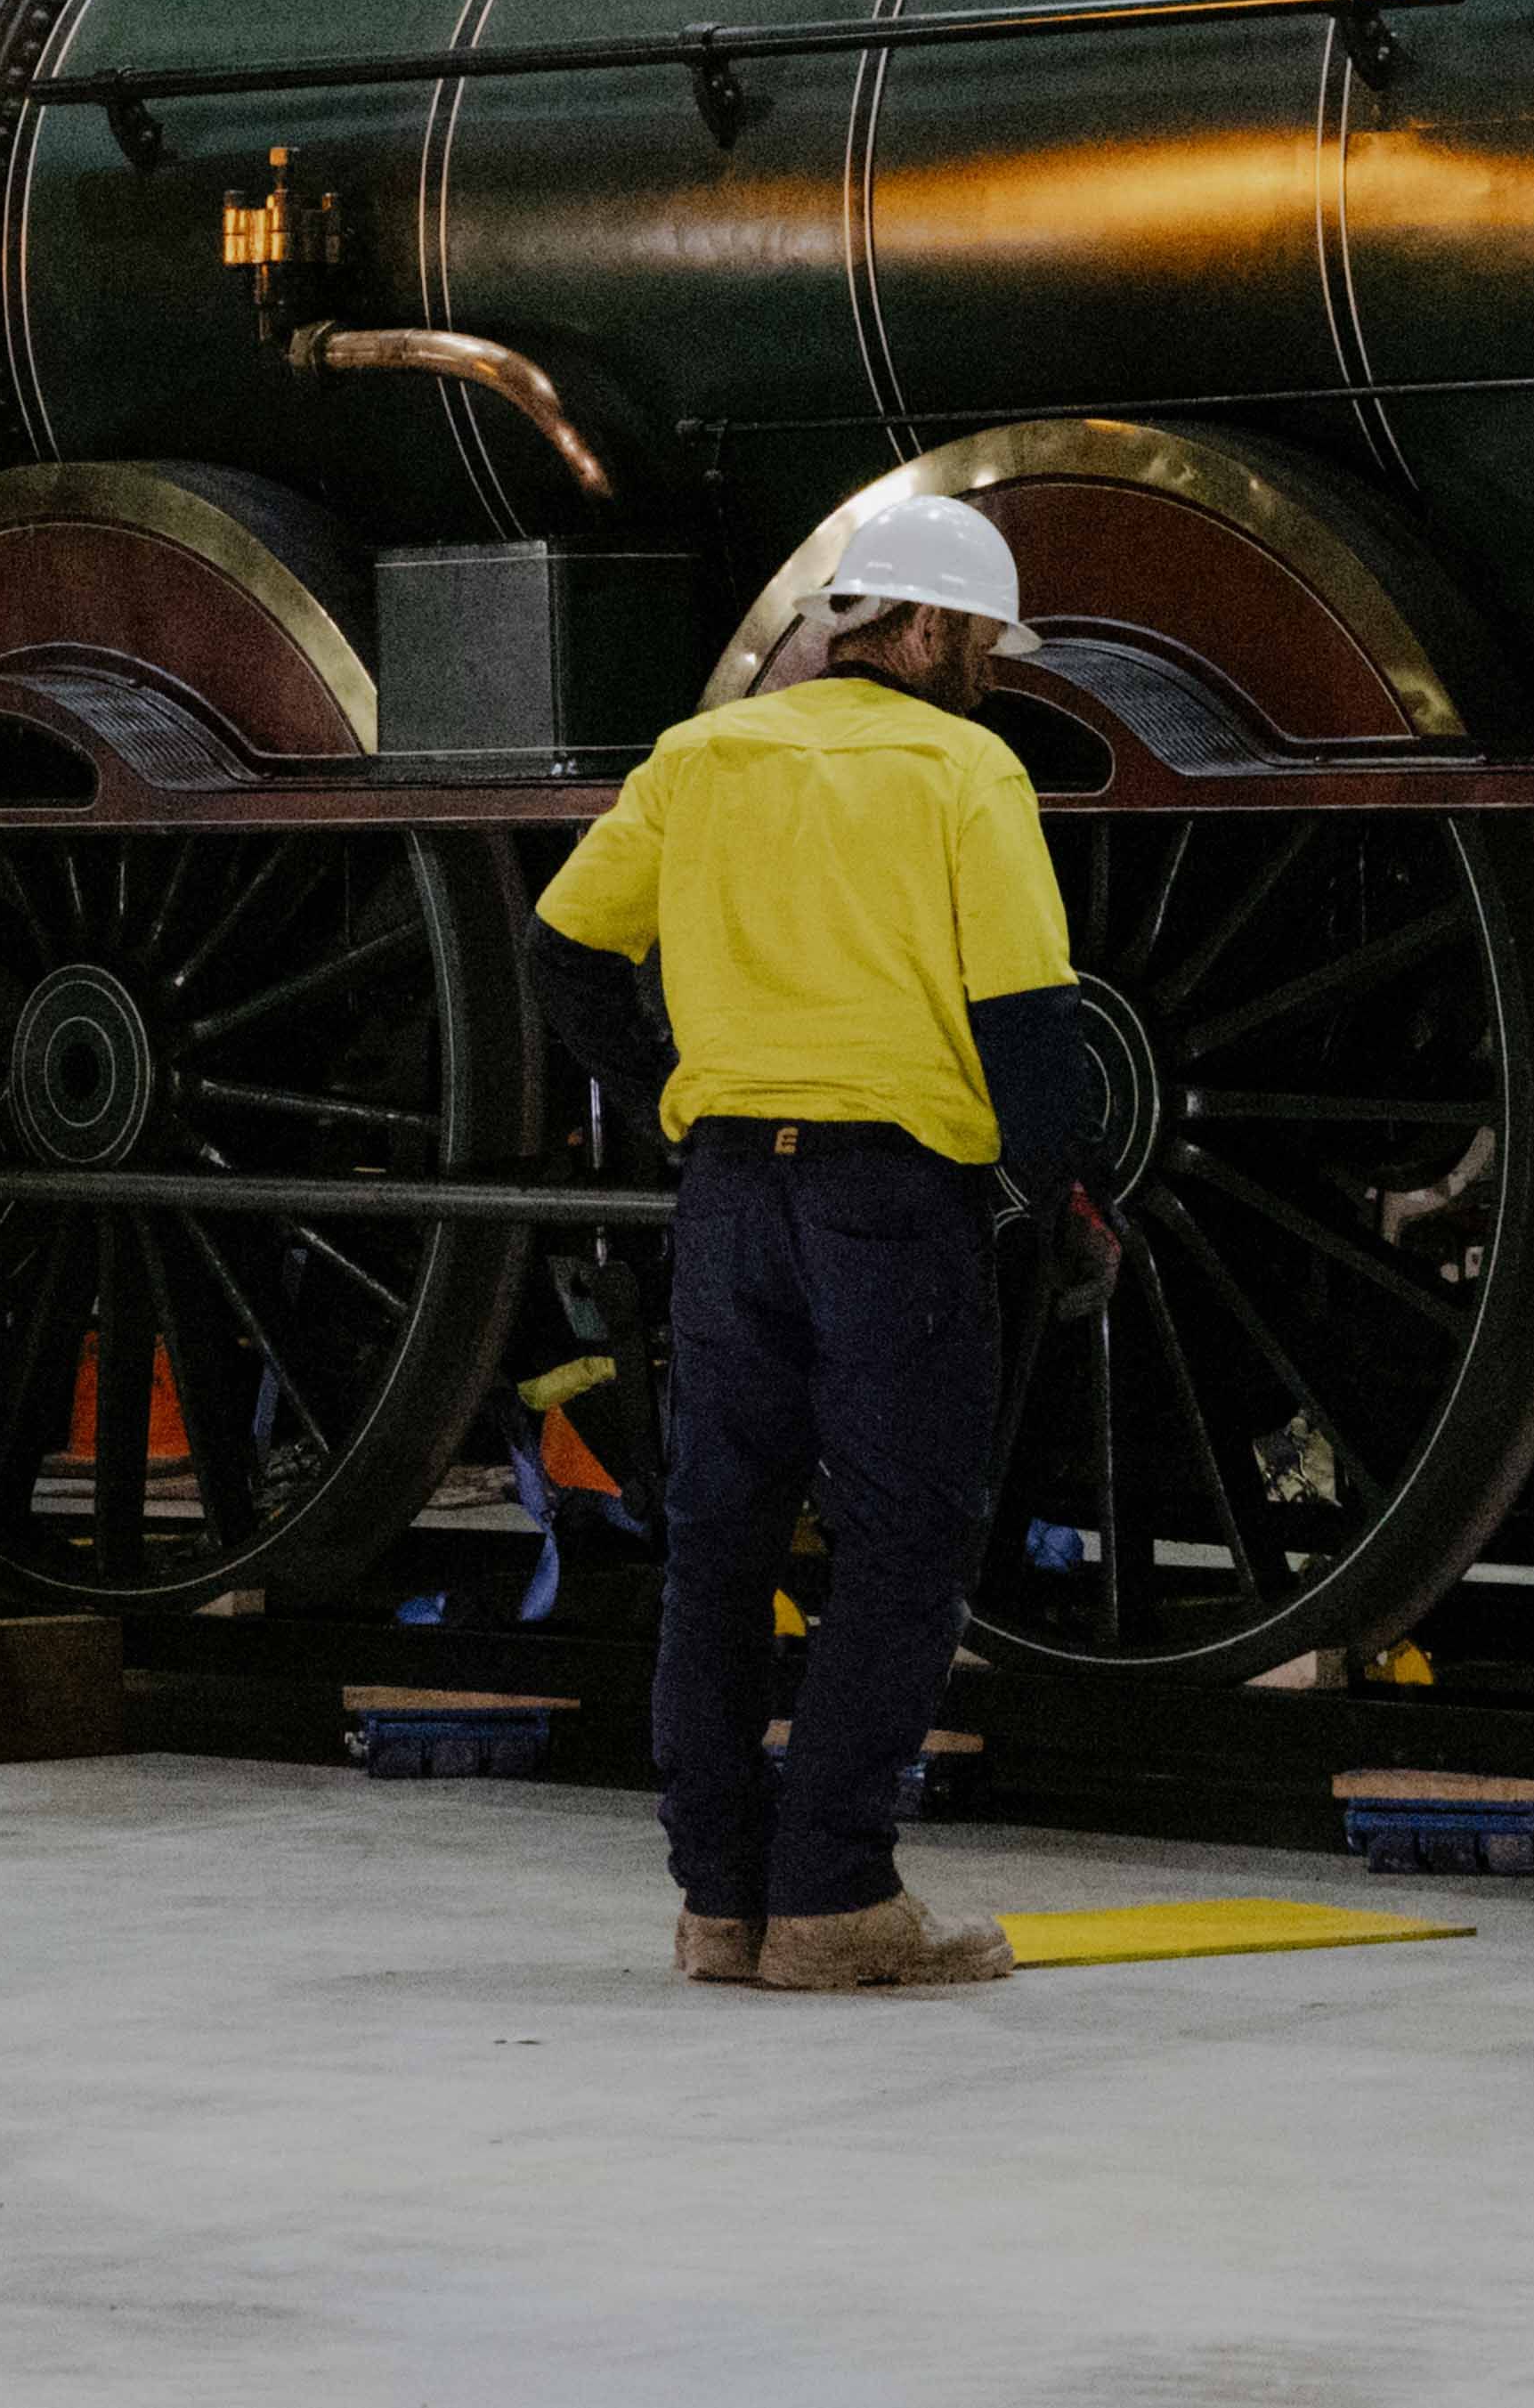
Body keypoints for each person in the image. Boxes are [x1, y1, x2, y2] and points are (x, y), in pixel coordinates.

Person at [530, 493, 1099, 1995]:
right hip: (890, 1208)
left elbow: (564, 953)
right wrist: (1070, 1196)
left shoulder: (700, 759)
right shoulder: (965, 772)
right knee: (904, 1546)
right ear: (915, 628)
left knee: (718, 1544)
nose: (982, 666)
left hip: (728, 1204)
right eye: (974, 638)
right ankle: (834, 1897)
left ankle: (721, 1904)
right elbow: (1029, 1029)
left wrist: (665, 1100)